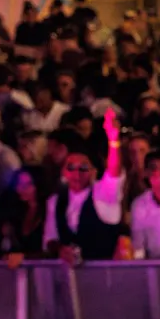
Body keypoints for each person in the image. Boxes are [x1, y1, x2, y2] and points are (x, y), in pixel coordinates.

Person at [43, 108, 125, 262]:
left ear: (94, 171)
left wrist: (113, 141)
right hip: (70, 278)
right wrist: (61, 249)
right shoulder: (55, 201)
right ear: (64, 172)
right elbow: (50, 240)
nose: (77, 173)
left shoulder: (103, 193)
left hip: (104, 275)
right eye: (71, 168)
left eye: (83, 168)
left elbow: (114, 173)